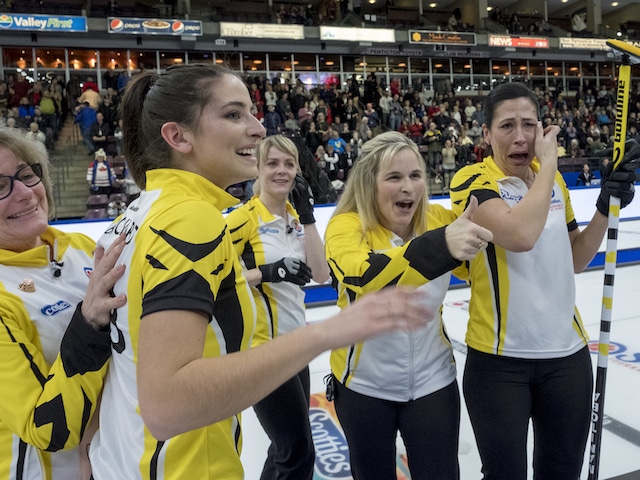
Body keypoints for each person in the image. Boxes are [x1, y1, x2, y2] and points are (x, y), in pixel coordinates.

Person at [89, 63, 434, 480]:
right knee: (294, 451)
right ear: (178, 137)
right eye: (234, 115)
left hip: (129, 458)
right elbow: (167, 404)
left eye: (252, 112)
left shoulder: (137, 213)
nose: (257, 128)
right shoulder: (192, 219)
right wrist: (330, 331)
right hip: (182, 465)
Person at [449, 82, 638, 480]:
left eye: (529, 125)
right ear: (485, 134)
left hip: (566, 359)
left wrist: (604, 206)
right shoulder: (471, 180)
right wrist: (549, 166)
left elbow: (574, 258)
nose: (521, 137)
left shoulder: (555, 183)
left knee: (561, 472)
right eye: (507, 126)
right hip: (499, 364)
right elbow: (519, 236)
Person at [324, 131, 493, 480]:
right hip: (363, 388)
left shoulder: (439, 219)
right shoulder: (345, 226)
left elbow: (484, 271)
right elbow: (364, 276)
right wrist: (440, 246)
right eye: (394, 177)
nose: (409, 187)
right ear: (369, 184)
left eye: (415, 175)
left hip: (435, 381)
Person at [0, 127, 127, 480]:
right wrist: (89, 324)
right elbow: (48, 428)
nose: (25, 193)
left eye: (27, 174)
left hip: (118, 460)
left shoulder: (80, 247)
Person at [226, 135, 330, 479]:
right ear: (257, 169)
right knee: (297, 451)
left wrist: (308, 214)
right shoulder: (241, 219)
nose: (281, 171)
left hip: (295, 347)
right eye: (272, 164)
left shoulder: (296, 218)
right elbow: (220, 279)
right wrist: (269, 272)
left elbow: (321, 273)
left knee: (284, 447)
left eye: (289, 164)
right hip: (261, 352)